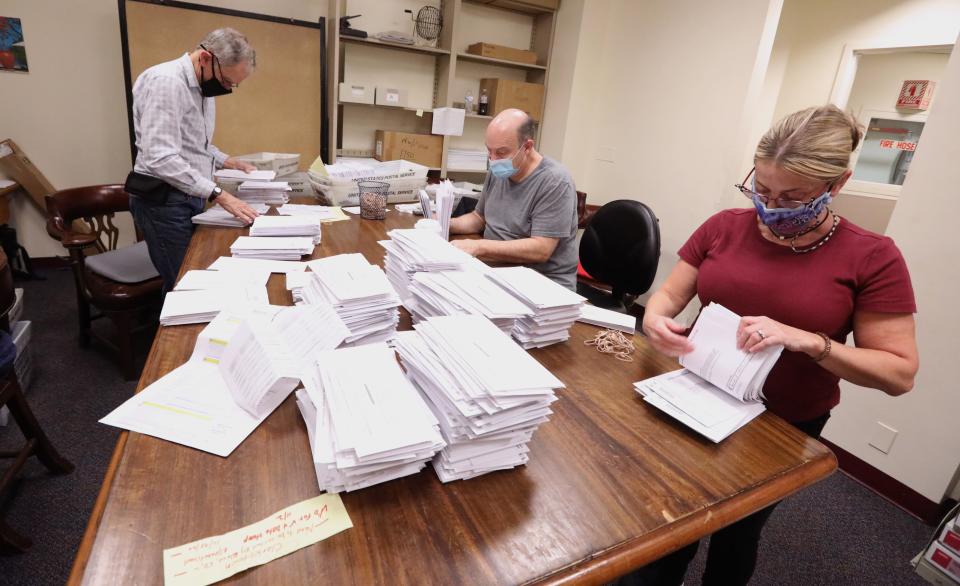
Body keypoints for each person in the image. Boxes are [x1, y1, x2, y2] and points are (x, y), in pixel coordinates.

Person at [631, 104, 919, 586]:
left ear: (837, 185)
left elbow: (899, 374)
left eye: (793, 197)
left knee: (737, 533)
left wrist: (810, 341)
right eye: (761, 189)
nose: (770, 205)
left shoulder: (872, 256)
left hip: (782, 422)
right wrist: (657, 319)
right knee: (669, 518)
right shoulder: (724, 226)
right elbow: (668, 295)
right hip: (698, 394)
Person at [127, 28, 260, 294]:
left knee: (196, 273)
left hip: (189, 196)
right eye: (226, 81)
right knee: (184, 286)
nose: (226, 89)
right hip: (164, 202)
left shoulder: (202, 87)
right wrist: (219, 194)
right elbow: (160, 157)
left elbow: (196, 145)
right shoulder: (166, 82)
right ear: (205, 58)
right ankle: (171, 337)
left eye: (233, 85)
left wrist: (228, 161)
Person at [448, 108, 578, 290]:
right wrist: (446, 223)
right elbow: (478, 218)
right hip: (496, 271)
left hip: (541, 283)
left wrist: (478, 247)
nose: (493, 160)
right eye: (489, 151)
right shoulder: (498, 170)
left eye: (501, 153)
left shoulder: (555, 181)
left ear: (527, 147)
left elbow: (541, 249)